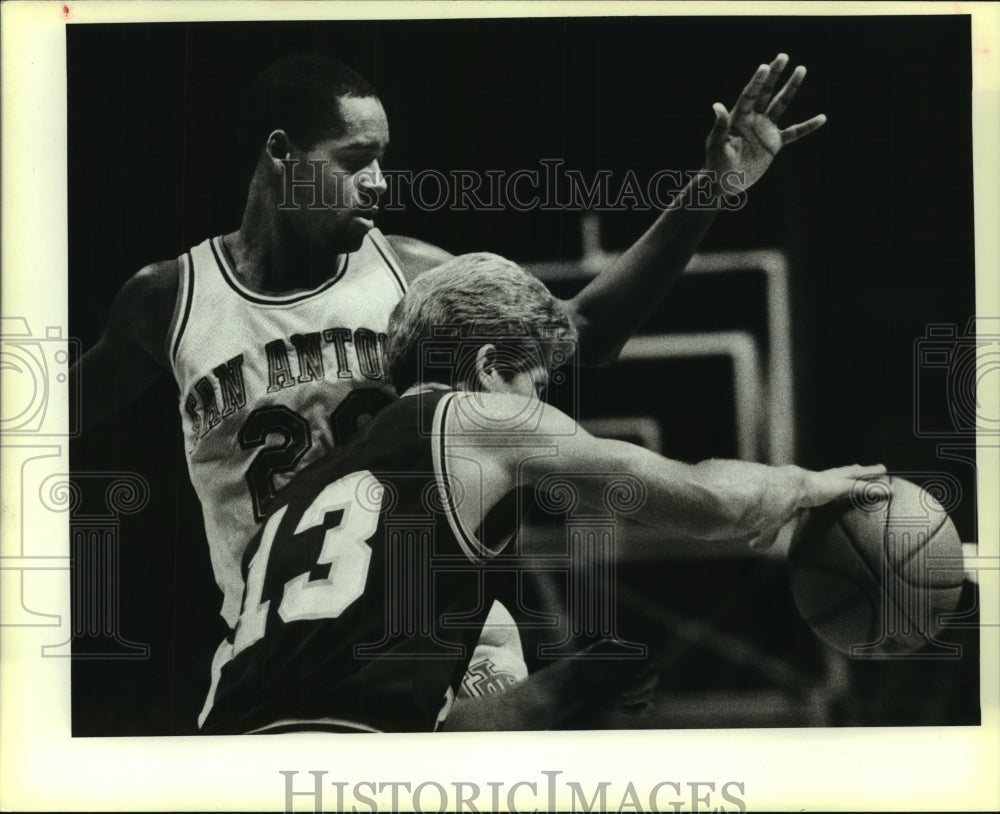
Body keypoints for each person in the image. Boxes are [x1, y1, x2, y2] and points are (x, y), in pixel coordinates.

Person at [71, 50, 827, 727]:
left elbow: (582, 331)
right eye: (355, 159)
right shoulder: (169, 300)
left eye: (383, 159)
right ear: (280, 153)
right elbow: (48, 420)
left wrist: (713, 187)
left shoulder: (410, 271)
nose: (378, 181)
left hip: (443, 636)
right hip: (273, 643)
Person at [199, 253, 883, 734]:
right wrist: (801, 483)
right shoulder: (480, 420)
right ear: (488, 368)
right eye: (537, 384)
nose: (541, 404)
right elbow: (708, 501)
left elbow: (426, 728)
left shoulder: (295, 505)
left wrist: (565, 687)